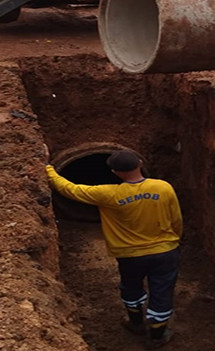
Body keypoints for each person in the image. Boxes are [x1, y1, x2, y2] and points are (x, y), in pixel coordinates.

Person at [45, 149, 182, 349]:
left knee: (131, 286)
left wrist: (48, 168)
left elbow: (69, 189)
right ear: (139, 164)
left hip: (130, 255)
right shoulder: (163, 187)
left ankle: (135, 324)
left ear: (115, 172)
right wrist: (174, 239)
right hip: (165, 252)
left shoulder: (108, 193)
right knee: (162, 291)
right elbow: (176, 218)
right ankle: (157, 336)